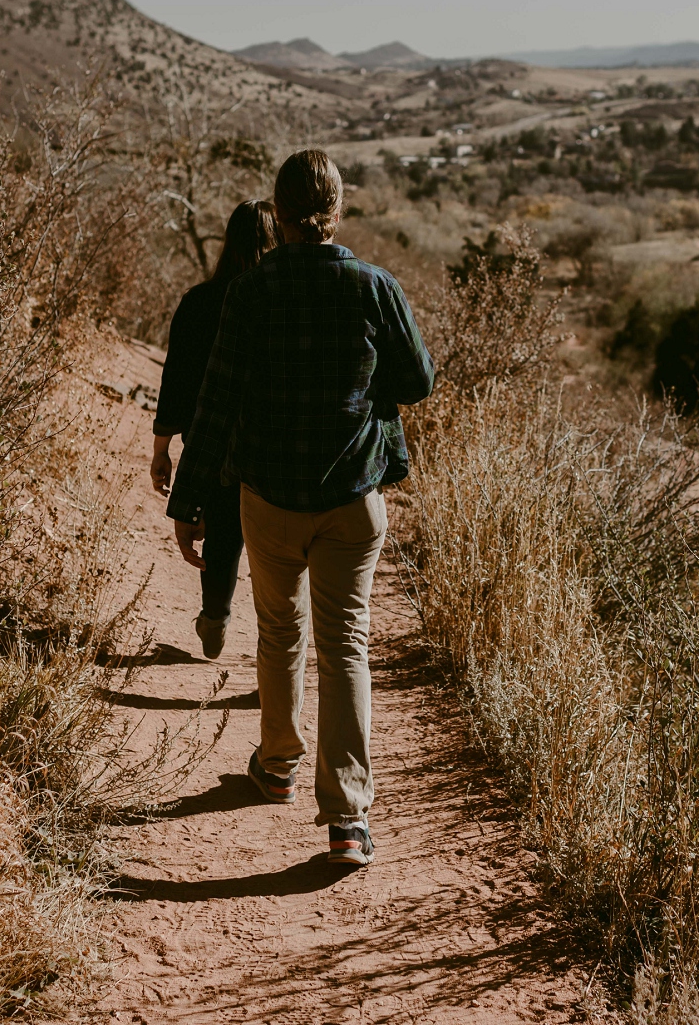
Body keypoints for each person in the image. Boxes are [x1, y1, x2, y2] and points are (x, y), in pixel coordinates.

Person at [165, 150, 434, 867]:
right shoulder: (375, 287)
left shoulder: (249, 292)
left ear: (276, 213)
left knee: (280, 630)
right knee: (344, 644)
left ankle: (277, 766)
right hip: (352, 497)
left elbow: (215, 402)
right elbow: (419, 381)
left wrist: (188, 501)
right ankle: (348, 819)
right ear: (336, 210)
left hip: (268, 494)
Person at [152, 199, 280, 661]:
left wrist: (161, 448)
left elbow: (176, 380)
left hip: (210, 441)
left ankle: (214, 617)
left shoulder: (199, 302)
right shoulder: (277, 304)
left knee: (222, 531)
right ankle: (276, 643)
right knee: (275, 549)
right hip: (267, 442)